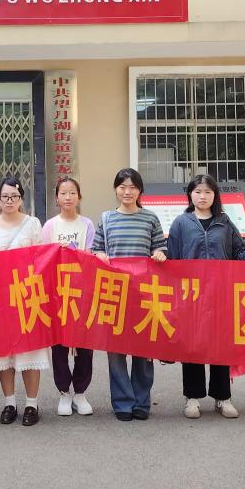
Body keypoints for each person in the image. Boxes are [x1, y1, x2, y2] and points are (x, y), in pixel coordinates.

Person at [166, 174, 245, 420]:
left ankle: (222, 397)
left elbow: (239, 252)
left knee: (220, 345)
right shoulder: (181, 223)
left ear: (215, 196)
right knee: (192, 345)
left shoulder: (224, 222)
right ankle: (192, 398)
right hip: (192, 295)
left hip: (221, 294)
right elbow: (172, 259)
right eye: (198, 192)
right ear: (190, 195)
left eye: (208, 192)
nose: (202, 196)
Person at [92, 168, 166, 422]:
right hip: (115, 293)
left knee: (143, 350)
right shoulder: (106, 219)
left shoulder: (150, 218)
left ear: (140, 190)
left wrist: (159, 254)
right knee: (116, 352)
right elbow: (96, 249)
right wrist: (100, 255)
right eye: (122, 187)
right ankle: (123, 402)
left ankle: (141, 402)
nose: (127, 192)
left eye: (132, 187)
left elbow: (160, 247)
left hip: (144, 294)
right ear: (116, 190)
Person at [0, 176, 47, 427]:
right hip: (0, 298)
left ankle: (32, 404)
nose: (10, 201)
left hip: (27, 295)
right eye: (5, 196)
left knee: (30, 350)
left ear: (21, 199)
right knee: (4, 354)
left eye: (15, 196)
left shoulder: (33, 224)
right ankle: (9, 403)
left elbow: (42, 258)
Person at [42, 176, 96, 417]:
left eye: (72, 193)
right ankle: (64, 392)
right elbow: (45, 258)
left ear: (79, 196)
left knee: (85, 344)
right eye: (63, 193)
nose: (68, 197)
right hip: (57, 292)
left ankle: (80, 393)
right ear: (56, 198)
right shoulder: (50, 226)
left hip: (82, 290)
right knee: (59, 344)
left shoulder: (87, 225)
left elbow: (91, 255)